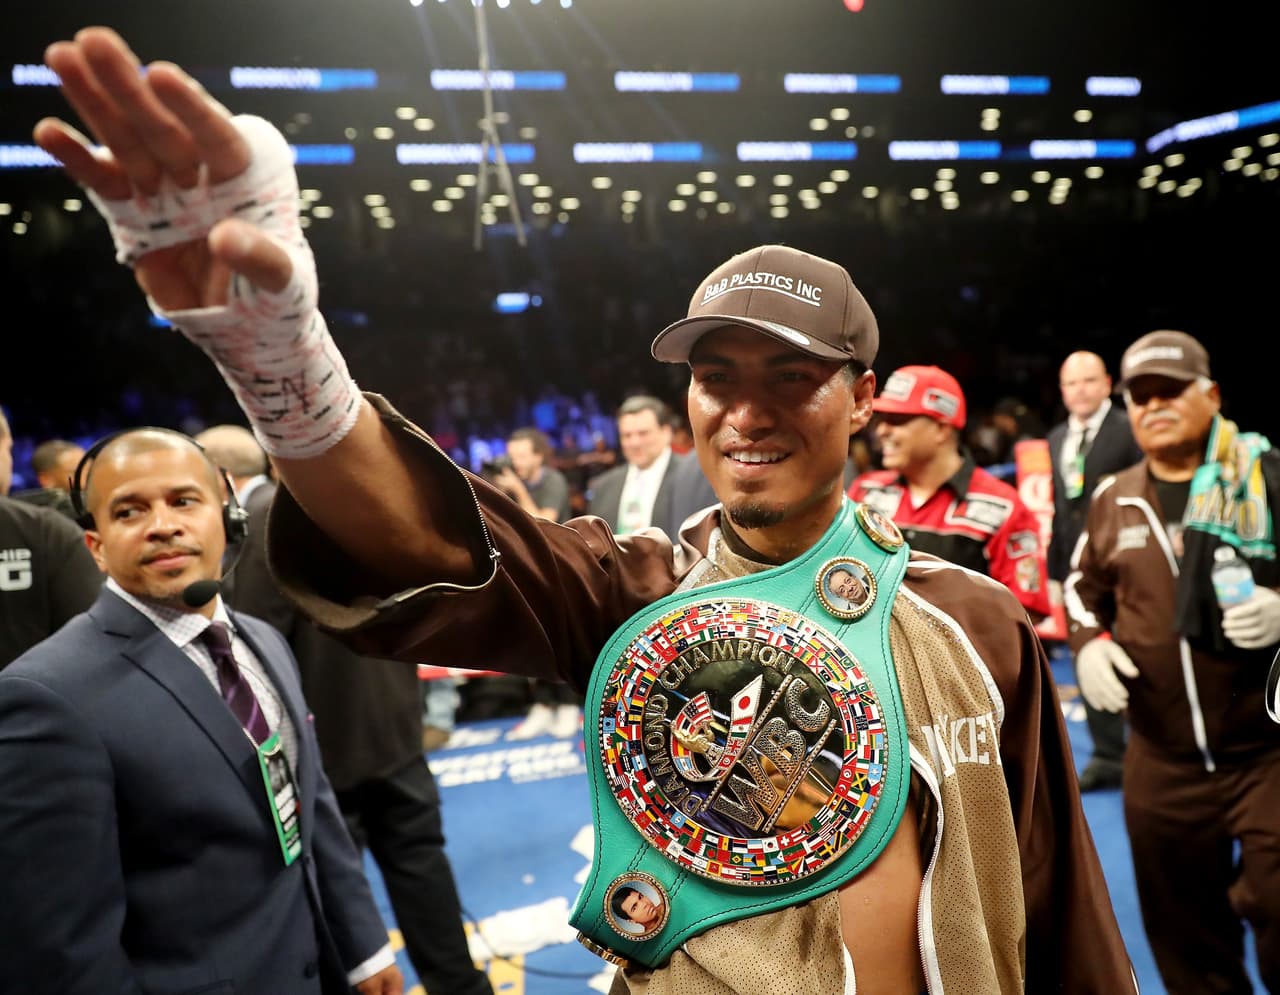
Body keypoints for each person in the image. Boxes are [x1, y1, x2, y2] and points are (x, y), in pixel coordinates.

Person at [35, 29, 1134, 993]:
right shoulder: (633, 588)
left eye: (790, 377)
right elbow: (411, 542)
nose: (744, 411)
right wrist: (279, 356)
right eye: (717, 375)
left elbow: (1065, 901)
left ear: (860, 397)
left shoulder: (971, 621)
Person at [0, 426, 401, 994]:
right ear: (96, 546)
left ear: (228, 518)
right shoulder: (46, 695)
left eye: (183, 500)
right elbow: (60, 947)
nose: (163, 524)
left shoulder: (262, 639)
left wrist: (361, 946)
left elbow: (307, 800)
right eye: (129, 511)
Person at [195, 423, 494, 995]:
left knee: (334, 891)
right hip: (394, 731)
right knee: (421, 870)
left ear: (219, 479)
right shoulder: (369, 506)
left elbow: (258, 647)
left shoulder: (261, 522)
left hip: (326, 749)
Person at [1065, 328, 1280, 993]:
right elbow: (1081, 589)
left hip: (1267, 753)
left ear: (1210, 394)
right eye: (1141, 395)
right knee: (1184, 936)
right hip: (1159, 758)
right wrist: (1090, 642)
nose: (1154, 405)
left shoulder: (1267, 476)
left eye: (1171, 391)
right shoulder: (1113, 496)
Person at [848, 365, 1053, 620]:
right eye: (882, 420)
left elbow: (1025, 613)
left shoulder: (1003, 507)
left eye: (898, 420)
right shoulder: (865, 492)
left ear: (942, 430)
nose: (882, 431)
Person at [1047, 350, 1143, 791]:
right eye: (1071, 383)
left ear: (1107, 384)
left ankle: (1149, 752)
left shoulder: (1129, 428)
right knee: (1089, 654)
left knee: (1140, 652)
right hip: (1076, 570)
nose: (1080, 390)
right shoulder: (1057, 437)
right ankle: (1109, 755)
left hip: (1127, 563)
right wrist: (1054, 569)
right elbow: (1061, 509)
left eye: (1088, 381)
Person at [0, 410, 102, 666]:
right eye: (75, 471)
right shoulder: (47, 532)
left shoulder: (52, 531)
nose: (84, 481)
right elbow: (96, 647)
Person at [587, 394, 705, 539]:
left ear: (666, 433)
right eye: (627, 435)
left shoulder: (693, 477)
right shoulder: (604, 487)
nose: (635, 443)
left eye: (643, 433)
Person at [8, 437, 86, 520]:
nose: (88, 476)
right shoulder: (40, 521)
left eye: (90, 469)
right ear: (46, 480)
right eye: (76, 472)